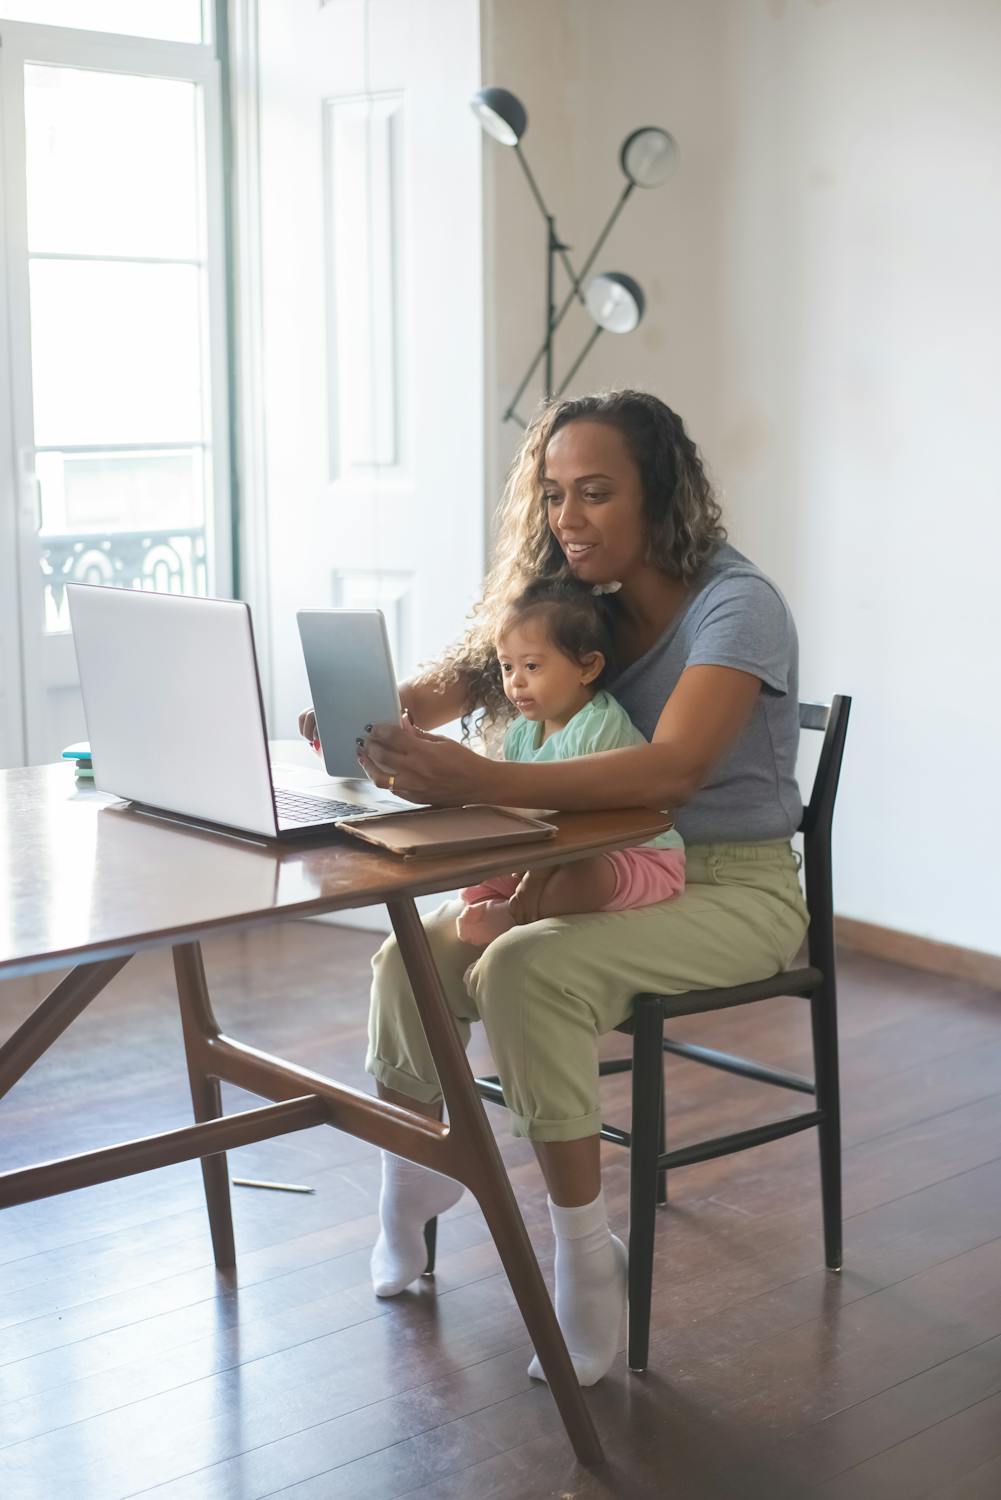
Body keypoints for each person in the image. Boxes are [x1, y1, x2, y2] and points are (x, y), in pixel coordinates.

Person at [299, 389, 809, 1387]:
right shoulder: (584, 606)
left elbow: (670, 775)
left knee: (527, 968)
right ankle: (410, 1189)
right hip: (586, 873)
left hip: (727, 886)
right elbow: (459, 685)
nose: (566, 518)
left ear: (660, 496)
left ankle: (582, 1257)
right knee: (408, 955)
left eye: (594, 493)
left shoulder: (734, 605)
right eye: (552, 493)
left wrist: (485, 780)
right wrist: (378, 718)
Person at [455, 576, 686, 947]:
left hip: (630, 854)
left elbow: (583, 827)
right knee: (480, 865)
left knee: (588, 876)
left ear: (588, 668)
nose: (515, 683)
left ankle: (515, 915)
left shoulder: (598, 727)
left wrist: (535, 879)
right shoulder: (520, 733)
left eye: (531, 667)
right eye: (507, 667)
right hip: (553, 851)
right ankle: (497, 906)